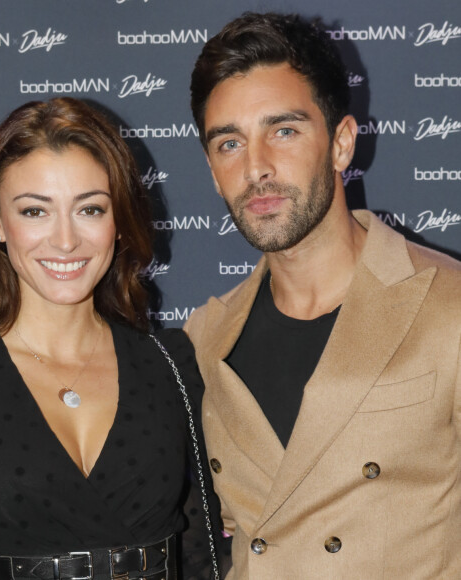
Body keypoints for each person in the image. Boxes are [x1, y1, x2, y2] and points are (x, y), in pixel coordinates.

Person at [0, 97, 220, 580]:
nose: (65, 241)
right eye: (35, 211)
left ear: (118, 219)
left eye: (90, 209)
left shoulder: (172, 365)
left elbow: (201, 556)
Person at [185, 11, 461, 579]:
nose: (256, 167)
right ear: (212, 172)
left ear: (341, 143)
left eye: (283, 130)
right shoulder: (202, 339)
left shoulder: (448, 305)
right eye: (229, 143)